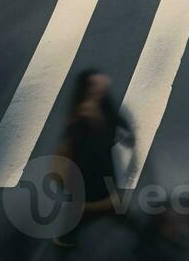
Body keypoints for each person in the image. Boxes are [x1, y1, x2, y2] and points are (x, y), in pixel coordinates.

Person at [49, 70, 135, 248]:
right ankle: (64, 241)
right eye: (97, 84)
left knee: (105, 211)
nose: (104, 84)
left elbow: (118, 124)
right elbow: (84, 156)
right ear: (88, 90)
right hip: (91, 181)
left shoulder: (103, 106)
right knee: (88, 212)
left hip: (103, 175)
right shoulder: (80, 123)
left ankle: (65, 240)